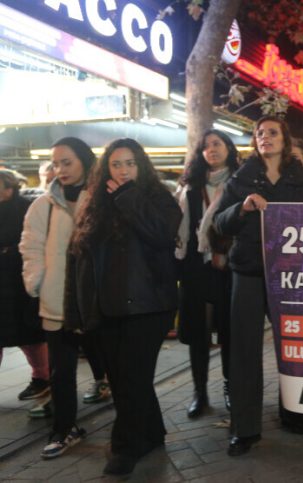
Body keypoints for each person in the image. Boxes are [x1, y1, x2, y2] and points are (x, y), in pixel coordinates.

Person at [66, 138, 181, 475]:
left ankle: (126, 447)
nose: (123, 170)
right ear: (106, 169)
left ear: (141, 165)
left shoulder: (159, 198)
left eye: (130, 163)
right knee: (122, 378)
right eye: (116, 164)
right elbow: (80, 259)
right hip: (106, 307)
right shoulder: (96, 203)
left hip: (148, 305)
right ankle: (152, 432)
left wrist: (128, 197)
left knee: (132, 377)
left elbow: (161, 234)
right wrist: (78, 309)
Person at [214, 116, 303, 456]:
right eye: (259, 133)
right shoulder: (241, 179)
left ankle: (295, 414)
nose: (265, 137)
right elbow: (219, 224)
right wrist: (241, 208)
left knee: (294, 348)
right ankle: (244, 429)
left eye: (272, 132)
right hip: (248, 272)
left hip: (290, 276)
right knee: (244, 352)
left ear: (285, 139)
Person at [20, 138, 103, 458]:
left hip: (98, 301)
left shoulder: (102, 198)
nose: (60, 170)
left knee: (113, 364)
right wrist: (37, 283)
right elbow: (31, 247)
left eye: (67, 162)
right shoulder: (43, 204)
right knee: (61, 372)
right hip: (57, 301)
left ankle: (129, 428)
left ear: (84, 160)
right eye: (56, 164)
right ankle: (64, 429)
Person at [175, 130, 240, 419]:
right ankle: (199, 393)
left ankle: (230, 387)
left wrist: (226, 251)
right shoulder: (190, 187)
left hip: (230, 267)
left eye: (217, 144)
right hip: (196, 266)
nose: (211, 149)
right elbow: (181, 230)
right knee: (198, 333)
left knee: (229, 330)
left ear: (228, 148)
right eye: (205, 146)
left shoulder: (239, 184)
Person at [0, 170, 48, 405]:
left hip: (20, 282)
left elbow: (32, 244)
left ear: (9, 187)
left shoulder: (26, 208)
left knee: (28, 334)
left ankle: (42, 378)